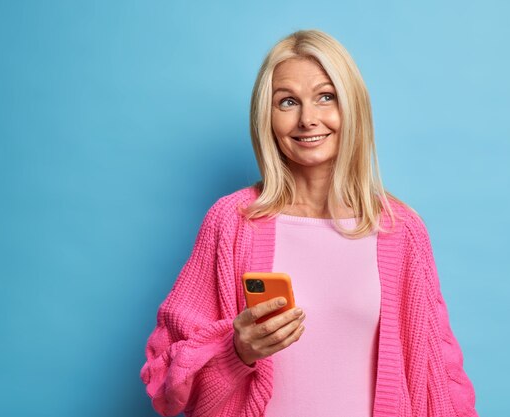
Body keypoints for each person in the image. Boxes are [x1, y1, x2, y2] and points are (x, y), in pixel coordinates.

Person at [140, 29, 478, 417]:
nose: (308, 119)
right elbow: (165, 379)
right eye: (287, 102)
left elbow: (442, 373)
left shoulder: (400, 231)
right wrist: (237, 351)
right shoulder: (232, 223)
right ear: (267, 117)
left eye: (325, 97)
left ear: (352, 107)